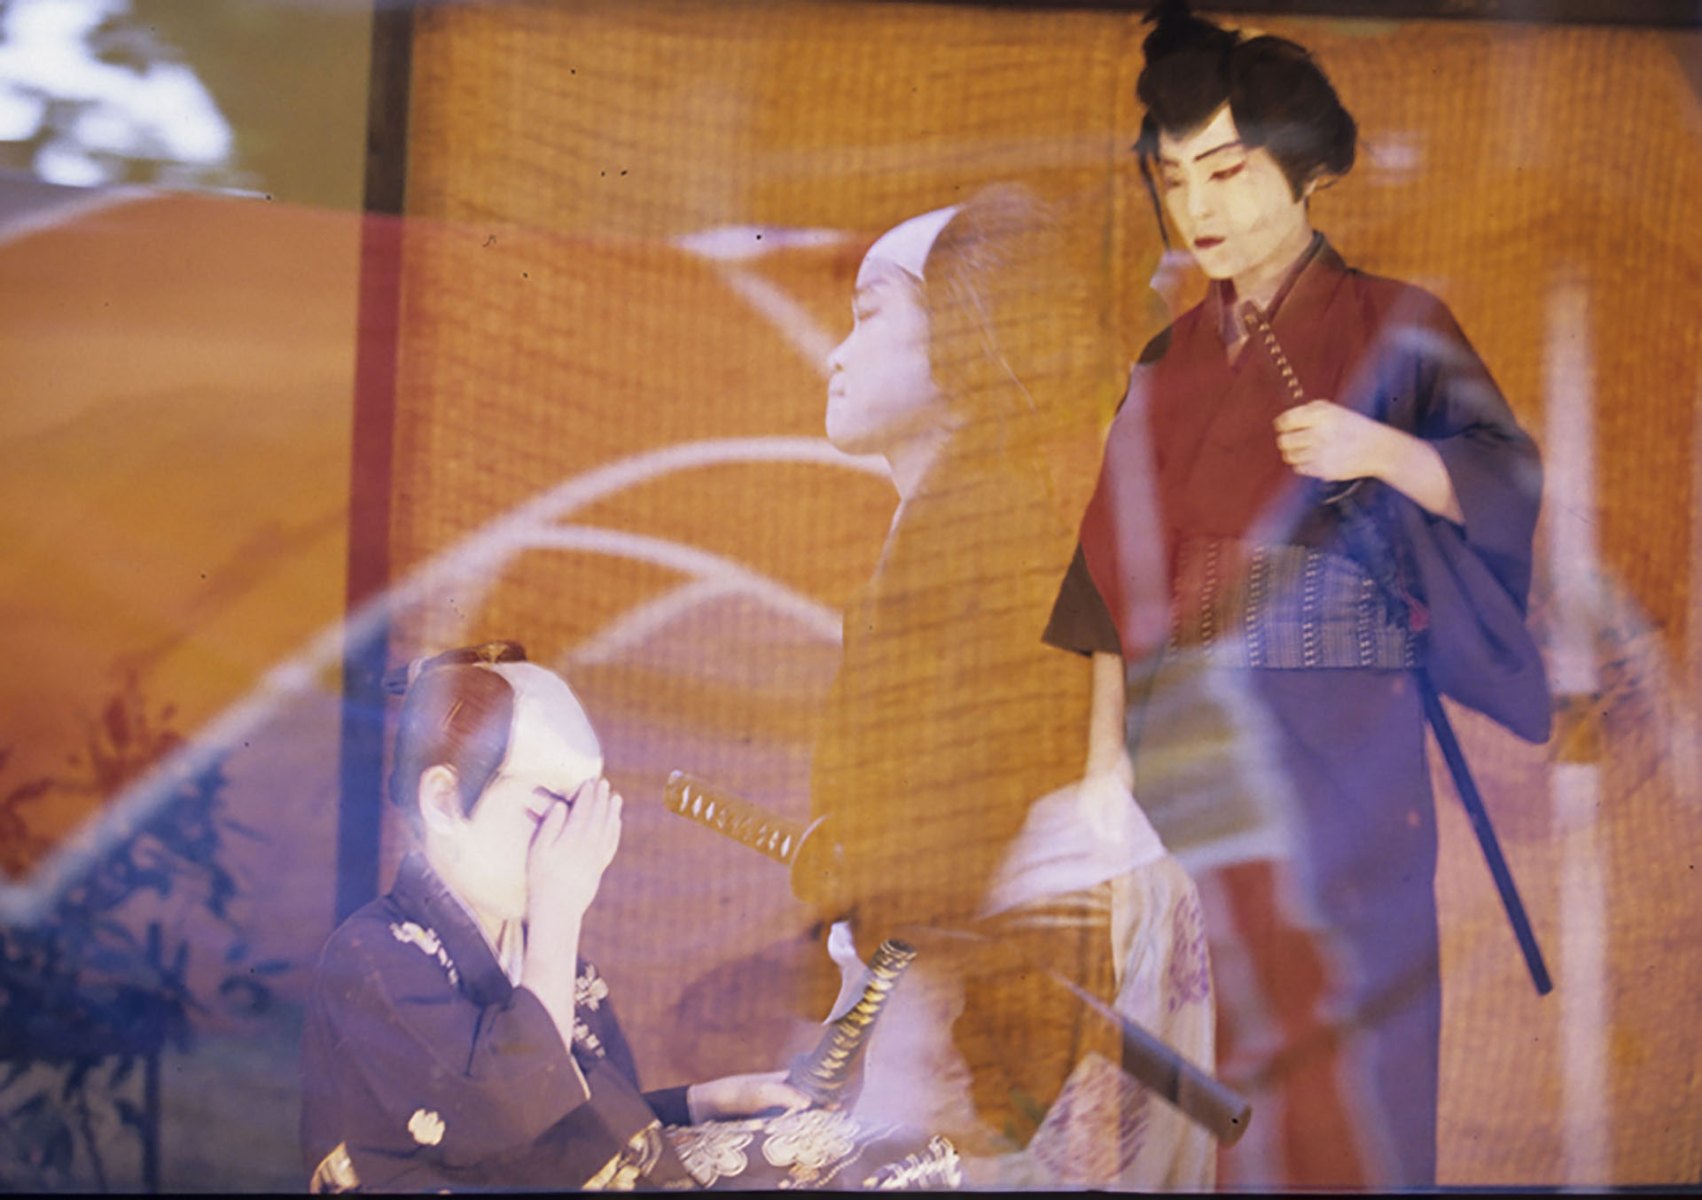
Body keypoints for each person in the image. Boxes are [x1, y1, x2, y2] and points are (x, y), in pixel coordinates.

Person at [1046, 2, 1550, 1189]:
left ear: (1306, 167)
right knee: (1202, 1073)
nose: (1200, 208)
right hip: (1187, 760)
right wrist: (1103, 771)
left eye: (1227, 171)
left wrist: (1381, 449)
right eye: (1175, 179)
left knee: (1350, 1084)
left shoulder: (1399, 325)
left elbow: (1505, 478)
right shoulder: (1166, 361)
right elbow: (1108, 578)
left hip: (1347, 763)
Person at [796, 184, 1216, 1188]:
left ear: (964, 333)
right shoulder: (966, 521)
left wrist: (900, 998)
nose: (836, 356)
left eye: (868, 315)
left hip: (1000, 987)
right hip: (987, 972)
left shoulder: (986, 527)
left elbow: (958, 810)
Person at [300, 641, 962, 1191]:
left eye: (585, 807)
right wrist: (559, 913)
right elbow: (509, 1112)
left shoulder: (553, 960)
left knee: (895, 1157)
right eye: (549, 806)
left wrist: (707, 1099)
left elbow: (591, 1121)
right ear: (445, 801)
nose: (577, 838)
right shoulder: (373, 956)